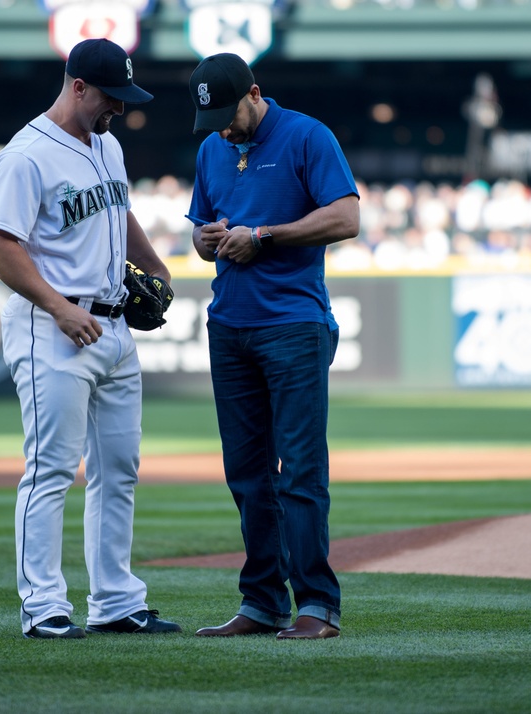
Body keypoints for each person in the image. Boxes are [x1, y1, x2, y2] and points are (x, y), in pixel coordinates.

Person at [0, 38, 180, 640]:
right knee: (51, 470)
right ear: (77, 87)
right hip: (52, 329)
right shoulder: (26, 155)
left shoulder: (107, 145)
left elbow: (118, 212)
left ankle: (116, 600)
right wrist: (58, 307)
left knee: (119, 470)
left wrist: (158, 268)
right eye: (110, 96)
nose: (118, 107)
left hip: (114, 326)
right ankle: (42, 607)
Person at [185, 53, 360, 640]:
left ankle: (317, 606)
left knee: (300, 471)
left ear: (255, 93)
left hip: (292, 324)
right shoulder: (212, 147)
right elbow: (201, 232)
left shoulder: (308, 135)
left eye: (227, 114)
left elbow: (346, 216)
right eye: (209, 118)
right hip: (228, 323)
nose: (221, 128)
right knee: (247, 475)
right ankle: (261, 602)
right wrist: (207, 240)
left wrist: (265, 236)